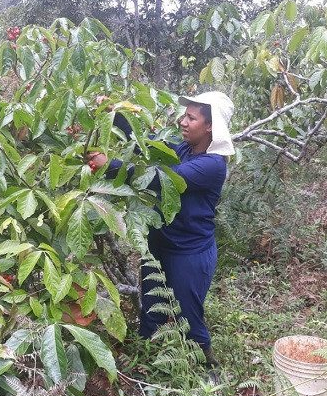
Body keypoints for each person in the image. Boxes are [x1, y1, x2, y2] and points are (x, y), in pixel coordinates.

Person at [86, 91, 235, 368]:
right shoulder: (183, 150)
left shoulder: (212, 165)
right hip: (159, 245)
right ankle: (147, 360)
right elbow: (149, 147)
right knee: (152, 308)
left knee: (188, 318)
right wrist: (116, 115)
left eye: (191, 117)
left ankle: (208, 369)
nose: (183, 121)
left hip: (189, 253)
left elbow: (161, 178)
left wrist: (110, 167)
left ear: (210, 125)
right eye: (185, 115)